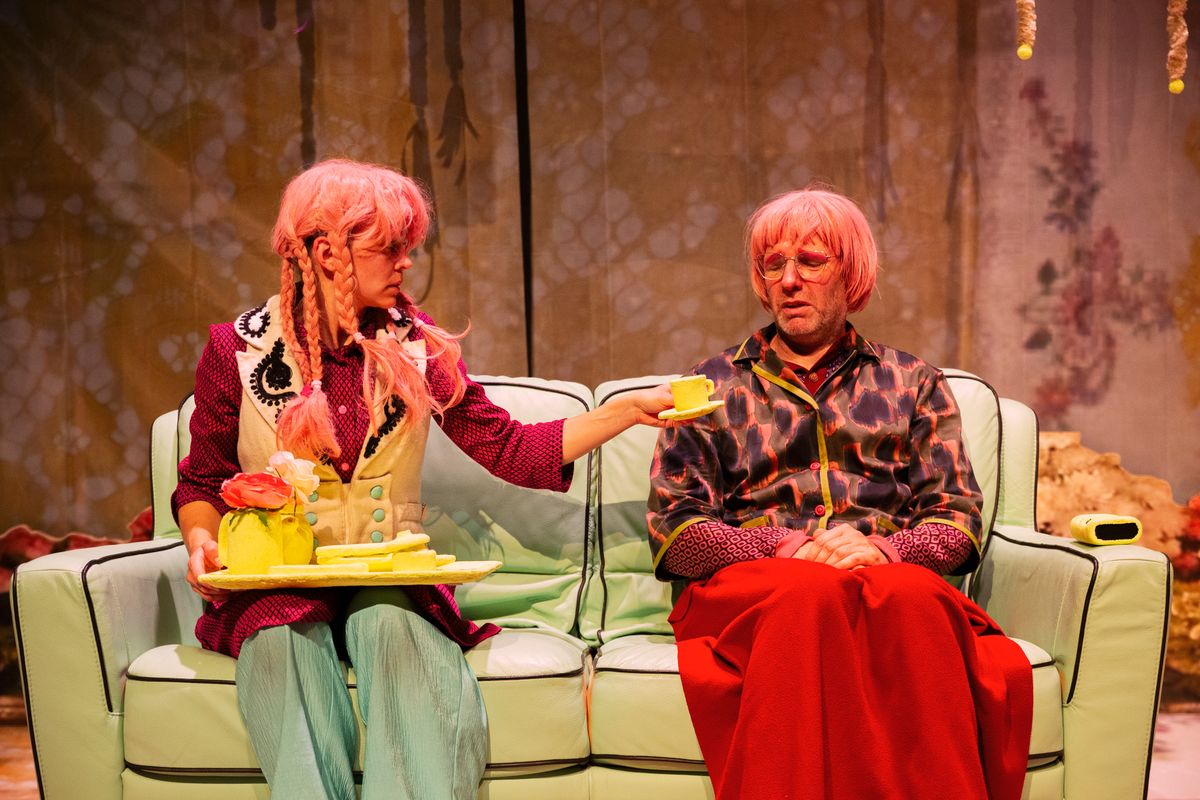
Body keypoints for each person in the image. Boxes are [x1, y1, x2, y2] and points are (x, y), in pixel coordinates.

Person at [173, 158, 672, 800]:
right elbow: (203, 480)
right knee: (280, 640)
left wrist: (625, 412)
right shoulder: (237, 350)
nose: (406, 263)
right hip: (278, 578)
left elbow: (512, 449)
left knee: (391, 626)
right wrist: (201, 540)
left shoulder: (417, 348)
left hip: (388, 576)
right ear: (327, 253)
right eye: (389, 248)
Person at [646, 188, 1033, 799]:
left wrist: (885, 551)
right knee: (809, 595)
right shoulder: (710, 387)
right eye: (773, 265)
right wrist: (786, 547)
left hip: (883, 579)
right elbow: (675, 533)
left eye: (811, 261)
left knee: (911, 597)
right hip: (764, 587)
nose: (789, 280)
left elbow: (957, 522)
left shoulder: (914, 384)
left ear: (851, 274)